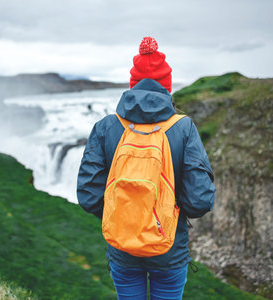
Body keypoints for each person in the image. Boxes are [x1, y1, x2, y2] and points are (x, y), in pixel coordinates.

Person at [77, 37, 215, 300]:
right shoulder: (184, 128)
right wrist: (165, 214)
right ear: (167, 88)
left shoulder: (106, 127)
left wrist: (125, 214)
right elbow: (200, 200)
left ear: (132, 85)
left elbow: (88, 194)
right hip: (169, 250)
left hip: (122, 250)